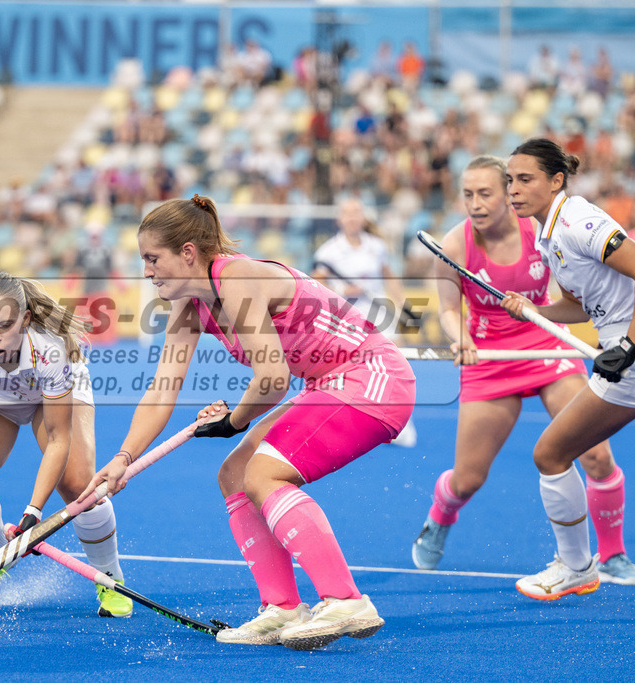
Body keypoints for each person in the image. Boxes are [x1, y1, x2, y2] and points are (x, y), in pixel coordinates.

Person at [78, 195, 415, 649]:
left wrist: (234, 422)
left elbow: (273, 378)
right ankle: (281, 608)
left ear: (188, 253)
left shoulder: (236, 278)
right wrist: (122, 459)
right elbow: (161, 392)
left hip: (371, 378)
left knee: (263, 472)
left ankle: (345, 599)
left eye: (152, 258)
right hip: (328, 384)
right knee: (235, 473)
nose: (146, 271)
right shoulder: (188, 308)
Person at [410, 155, 634, 585]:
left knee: (595, 454)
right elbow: (446, 310)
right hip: (489, 359)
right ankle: (441, 515)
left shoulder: (540, 230)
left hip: (543, 344)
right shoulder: (454, 246)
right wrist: (461, 340)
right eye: (468, 194)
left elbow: (571, 290)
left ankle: (613, 554)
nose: (475, 203)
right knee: (468, 478)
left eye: (486, 193)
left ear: (509, 192)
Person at [0, 271, 132, 617]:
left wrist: (33, 512)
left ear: (24, 319)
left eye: (5, 326)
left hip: (49, 394)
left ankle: (110, 577)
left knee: (79, 485)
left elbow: (58, 438)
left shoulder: (51, 348)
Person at [501, 138, 635, 600]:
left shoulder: (578, 221)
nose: (513, 190)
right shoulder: (550, 233)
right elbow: (581, 304)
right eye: (510, 181)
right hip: (621, 351)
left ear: (556, 180)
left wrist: (630, 345)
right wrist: (535, 309)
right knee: (554, 453)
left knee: (550, 453)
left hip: (629, 356)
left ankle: (577, 566)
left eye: (525, 179)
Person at [312, 197, 417, 447]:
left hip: (380, 314)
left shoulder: (377, 246)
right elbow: (317, 285)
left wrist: (403, 304)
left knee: (396, 367)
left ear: (363, 218)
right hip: (349, 320)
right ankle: (357, 422)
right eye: (347, 213)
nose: (352, 218)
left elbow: (388, 275)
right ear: (339, 219)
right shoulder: (327, 251)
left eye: (356, 213)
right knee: (356, 373)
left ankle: (399, 424)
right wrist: (342, 289)